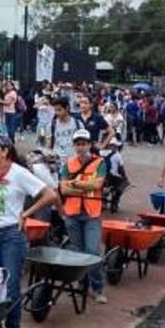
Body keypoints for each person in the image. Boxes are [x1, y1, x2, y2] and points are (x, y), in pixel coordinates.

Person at [0, 134, 58, 328]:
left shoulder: (19, 174)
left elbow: (49, 194)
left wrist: (26, 213)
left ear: (4, 151)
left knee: (11, 288)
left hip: (11, 235)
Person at [59, 129, 108, 303]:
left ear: (90, 144)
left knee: (93, 252)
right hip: (72, 213)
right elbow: (63, 189)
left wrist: (76, 184)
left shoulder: (100, 162)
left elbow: (98, 184)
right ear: (74, 146)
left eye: (84, 144)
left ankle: (97, 288)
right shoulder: (68, 164)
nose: (80, 147)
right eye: (78, 144)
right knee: (78, 252)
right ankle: (82, 283)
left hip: (91, 213)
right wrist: (86, 185)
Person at [48, 97, 83, 166]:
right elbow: (49, 143)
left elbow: (83, 144)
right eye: (55, 110)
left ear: (67, 108)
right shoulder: (52, 125)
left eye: (59, 110)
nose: (56, 113)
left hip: (74, 162)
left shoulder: (77, 124)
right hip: (57, 163)